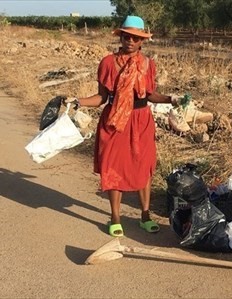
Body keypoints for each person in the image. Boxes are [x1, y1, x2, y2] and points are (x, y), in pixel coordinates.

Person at [64, 15, 185, 237]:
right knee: (114, 167)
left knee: (144, 167)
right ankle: (115, 218)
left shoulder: (148, 64)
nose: (130, 40)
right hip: (115, 121)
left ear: (142, 41)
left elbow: (150, 95)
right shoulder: (108, 63)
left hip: (141, 120)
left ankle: (145, 216)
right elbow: (101, 98)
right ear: (121, 37)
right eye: (127, 36)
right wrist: (77, 101)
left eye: (135, 38)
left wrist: (171, 98)